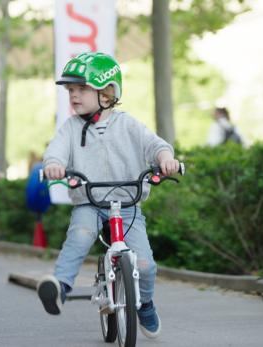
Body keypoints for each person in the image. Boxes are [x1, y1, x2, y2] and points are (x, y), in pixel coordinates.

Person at [37, 52, 180, 340]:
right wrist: (53, 165)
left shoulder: (128, 124)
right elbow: (56, 150)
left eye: (82, 89)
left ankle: (146, 304)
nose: (74, 96)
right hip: (90, 201)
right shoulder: (70, 127)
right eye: (71, 91)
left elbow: (155, 145)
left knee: (145, 264)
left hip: (127, 204)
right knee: (80, 234)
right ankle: (61, 288)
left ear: (107, 92)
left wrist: (166, 159)